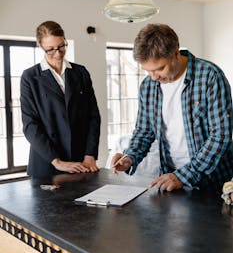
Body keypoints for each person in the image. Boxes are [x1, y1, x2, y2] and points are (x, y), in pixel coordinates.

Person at [111, 23, 233, 191]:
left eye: (160, 68)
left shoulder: (210, 76)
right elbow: (144, 131)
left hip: (212, 181)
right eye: (148, 71)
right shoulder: (148, 86)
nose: (154, 77)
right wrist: (130, 156)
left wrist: (184, 175)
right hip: (169, 179)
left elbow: (220, 136)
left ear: (176, 52)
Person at [20, 20, 101, 182]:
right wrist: (56, 161)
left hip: (80, 161)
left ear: (65, 40)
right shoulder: (30, 77)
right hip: (46, 162)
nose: (58, 53)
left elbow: (93, 116)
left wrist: (90, 154)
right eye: (50, 49)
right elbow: (30, 125)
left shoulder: (80, 73)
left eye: (61, 46)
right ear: (40, 46)